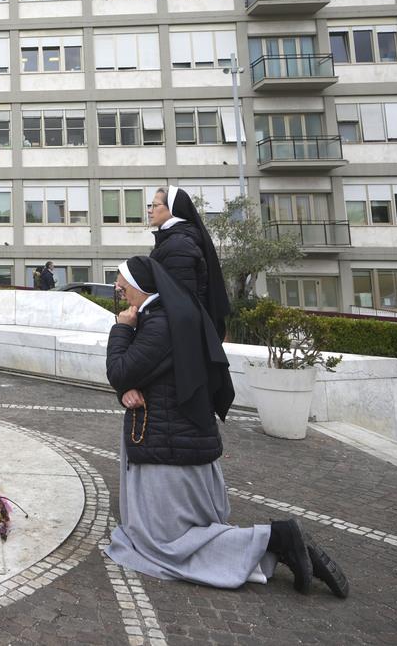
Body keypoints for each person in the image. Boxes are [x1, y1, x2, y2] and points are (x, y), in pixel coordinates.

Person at [103, 255, 349, 597]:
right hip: (176, 439)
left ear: (141, 286)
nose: (117, 287)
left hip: (169, 447)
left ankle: (278, 538)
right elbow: (144, 375)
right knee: (164, 536)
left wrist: (122, 329)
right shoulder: (167, 316)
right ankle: (277, 546)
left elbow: (119, 370)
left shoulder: (158, 323)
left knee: (164, 544)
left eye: (121, 282)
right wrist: (128, 388)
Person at [148, 185, 232, 339]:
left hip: (180, 336)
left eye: (155, 205)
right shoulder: (174, 239)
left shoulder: (178, 244)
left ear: (172, 209)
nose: (149, 210)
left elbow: (180, 300)